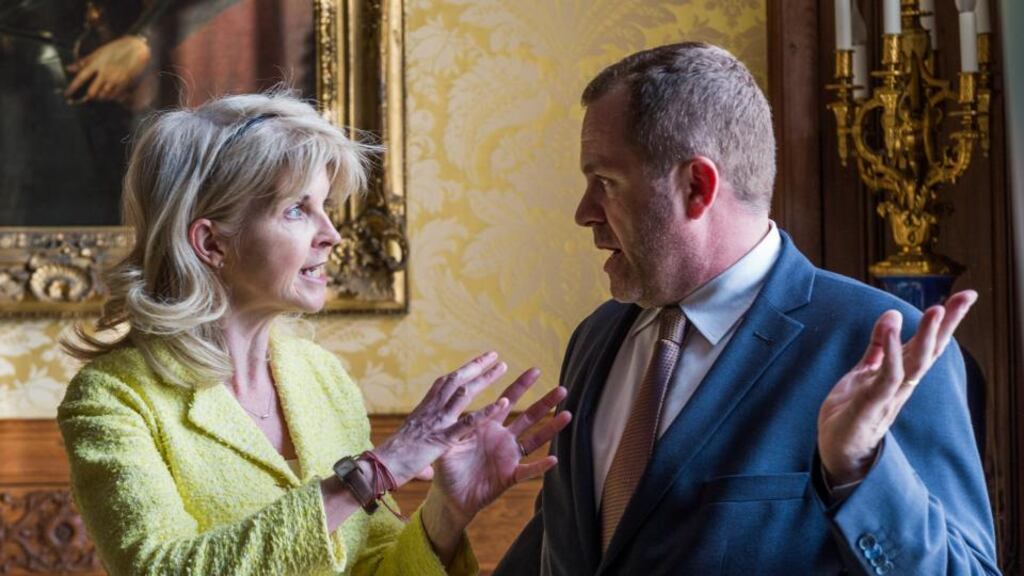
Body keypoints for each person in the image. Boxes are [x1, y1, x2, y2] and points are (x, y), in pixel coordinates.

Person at [494, 42, 999, 575]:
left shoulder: (882, 348)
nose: (584, 213)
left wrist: (858, 470)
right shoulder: (595, 339)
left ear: (696, 186)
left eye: (606, 183)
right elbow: (562, 549)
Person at [57, 92, 571, 576]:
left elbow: (373, 568)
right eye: (298, 210)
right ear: (211, 242)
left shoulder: (320, 377)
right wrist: (373, 471)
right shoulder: (113, 398)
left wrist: (447, 512)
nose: (332, 234)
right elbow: (162, 569)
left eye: (325, 207)